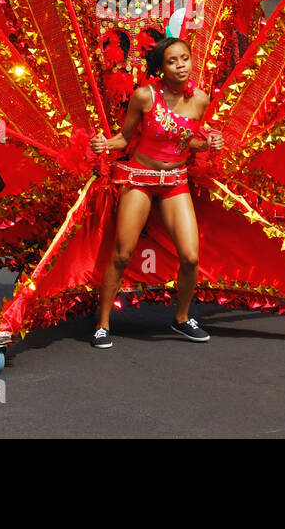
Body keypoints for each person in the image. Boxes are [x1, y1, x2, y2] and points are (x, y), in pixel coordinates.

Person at [89, 37, 224, 349]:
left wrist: (206, 145)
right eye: (172, 61)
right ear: (160, 68)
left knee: (190, 257)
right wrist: (104, 145)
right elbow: (124, 138)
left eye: (185, 59)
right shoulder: (145, 96)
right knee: (122, 253)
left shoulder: (200, 100)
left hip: (176, 181)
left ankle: (181, 318)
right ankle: (103, 323)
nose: (180, 66)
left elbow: (185, 141)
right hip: (140, 178)